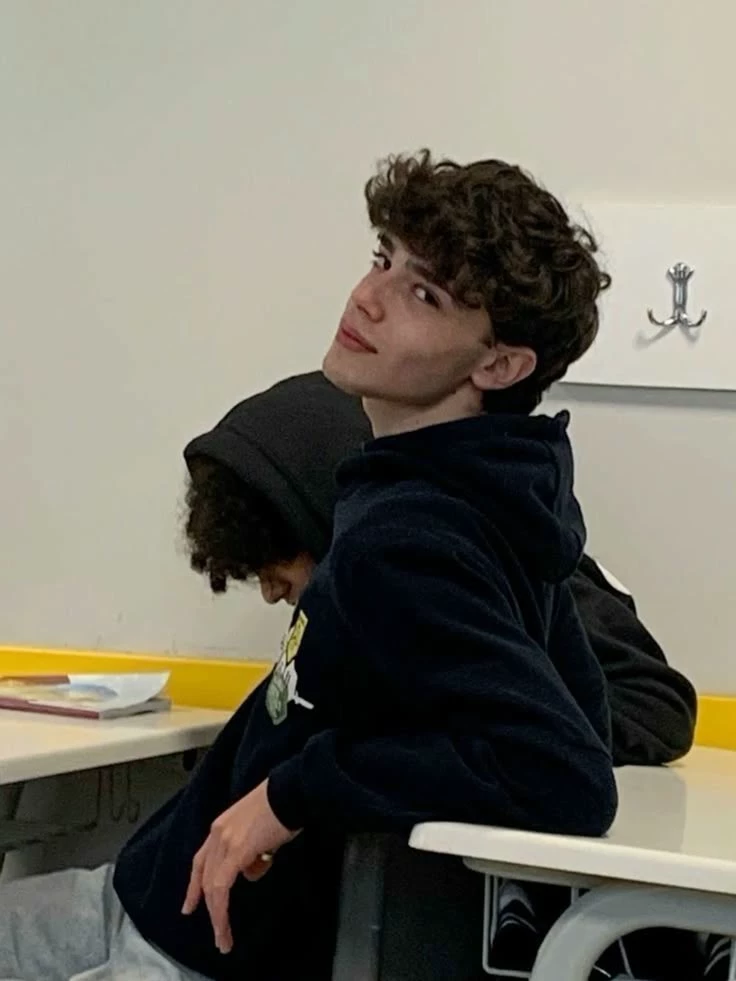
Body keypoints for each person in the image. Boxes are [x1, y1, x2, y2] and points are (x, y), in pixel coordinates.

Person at [0, 152, 686, 981]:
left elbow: (565, 771)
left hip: (203, 945)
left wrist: (292, 793)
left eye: (424, 294)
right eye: (382, 259)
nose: (368, 297)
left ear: (499, 365)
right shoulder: (478, 497)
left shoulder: (413, 534)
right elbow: (577, 718)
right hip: (150, 891)